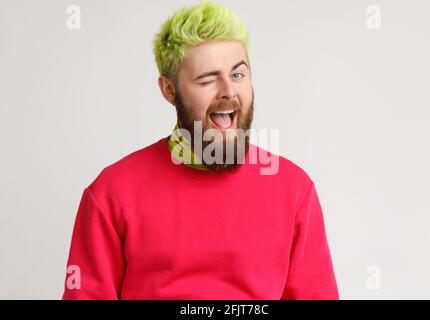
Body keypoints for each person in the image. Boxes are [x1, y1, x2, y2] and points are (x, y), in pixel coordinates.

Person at [62, 0, 339, 300]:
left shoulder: (294, 189)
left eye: (237, 75)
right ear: (169, 90)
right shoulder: (111, 193)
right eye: (207, 79)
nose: (228, 91)